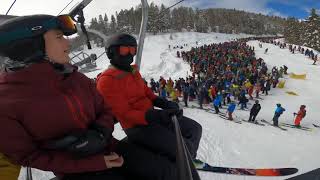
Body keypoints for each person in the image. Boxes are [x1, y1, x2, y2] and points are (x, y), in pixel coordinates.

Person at [0, 14, 178, 180]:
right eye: (59, 37)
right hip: (75, 170)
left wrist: (101, 131)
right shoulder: (7, 101)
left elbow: (105, 109)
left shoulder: (75, 77)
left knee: (168, 172)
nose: (67, 45)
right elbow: (27, 155)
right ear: (31, 46)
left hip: (110, 148)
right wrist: (89, 160)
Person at [96, 33, 202, 161]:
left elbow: (146, 92)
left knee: (194, 129)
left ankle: (186, 157)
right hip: (136, 127)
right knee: (183, 147)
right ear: (111, 53)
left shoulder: (133, 71)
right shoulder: (107, 80)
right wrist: (154, 116)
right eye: (124, 50)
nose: (130, 54)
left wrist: (163, 103)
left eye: (132, 50)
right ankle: (181, 158)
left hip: (152, 117)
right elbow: (124, 113)